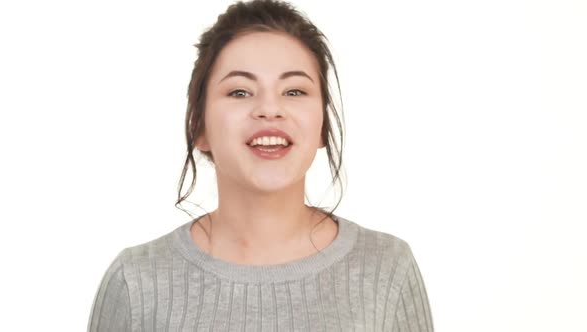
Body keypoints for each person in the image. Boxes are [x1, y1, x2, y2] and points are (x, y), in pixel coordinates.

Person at [87, 0, 434, 330]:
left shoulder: (387, 270)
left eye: (294, 91)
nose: (270, 109)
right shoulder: (136, 283)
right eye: (240, 92)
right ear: (199, 127)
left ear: (322, 127)